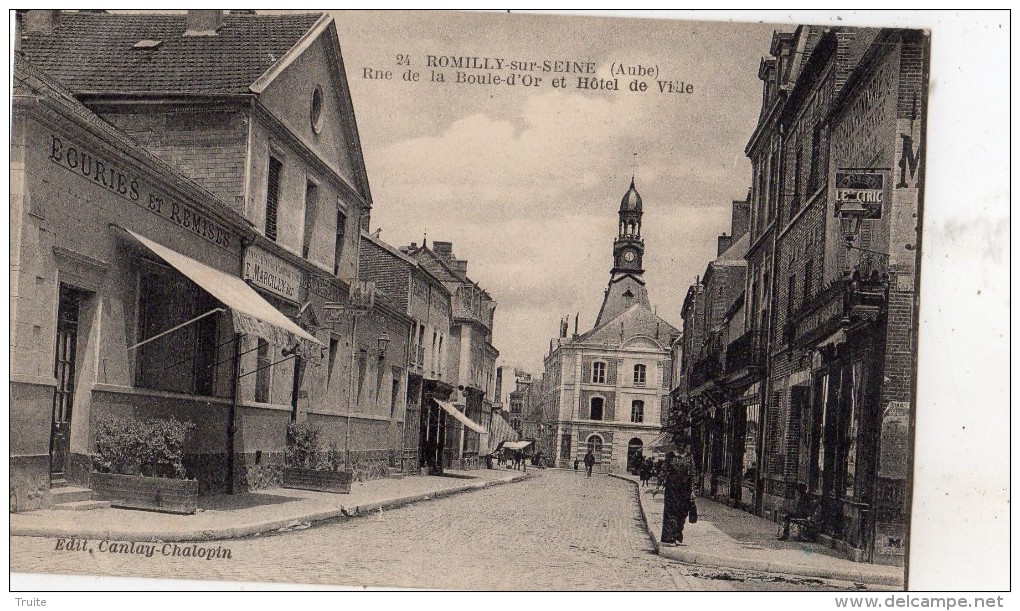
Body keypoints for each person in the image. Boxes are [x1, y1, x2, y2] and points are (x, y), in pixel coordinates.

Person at [660, 445, 696, 546]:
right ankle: (669, 537)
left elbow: (693, 474)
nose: (682, 447)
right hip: (671, 487)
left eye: (684, 444)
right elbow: (664, 470)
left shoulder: (689, 457)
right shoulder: (670, 456)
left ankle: (677, 535)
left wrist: (693, 491)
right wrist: (658, 487)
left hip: (685, 489)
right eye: (680, 443)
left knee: (682, 512)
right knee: (671, 512)